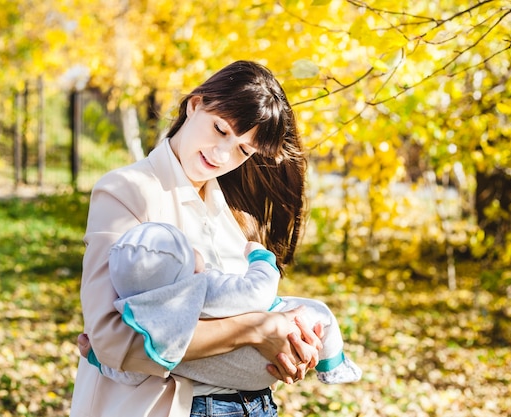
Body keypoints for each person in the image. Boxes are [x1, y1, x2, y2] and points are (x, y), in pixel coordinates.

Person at [70, 60, 325, 417]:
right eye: (220, 130)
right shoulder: (128, 191)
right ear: (194, 105)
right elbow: (110, 339)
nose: (222, 155)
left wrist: (292, 343)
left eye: (243, 150)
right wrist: (254, 330)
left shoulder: (239, 214)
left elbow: (245, 306)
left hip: (256, 406)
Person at [79, 221, 362, 390]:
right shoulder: (203, 288)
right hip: (261, 366)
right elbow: (258, 293)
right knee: (319, 314)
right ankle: (332, 364)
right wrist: (261, 257)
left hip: (232, 379)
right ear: (186, 270)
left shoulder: (145, 318)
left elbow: (130, 373)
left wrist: (96, 357)